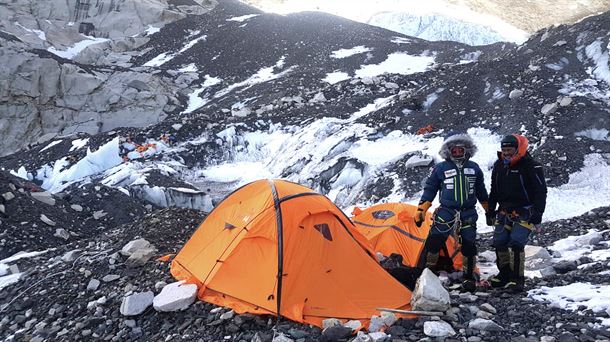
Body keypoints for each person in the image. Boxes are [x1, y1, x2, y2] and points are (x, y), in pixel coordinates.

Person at [415, 133, 489, 291]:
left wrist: (489, 211)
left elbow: (481, 191)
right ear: (448, 151)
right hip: (446, 211)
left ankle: (469, 277)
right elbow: (430, 188)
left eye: (460, 150)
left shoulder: (474, 168)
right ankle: (426, 274)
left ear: (467, 150)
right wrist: (422, 209)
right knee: (434, 241)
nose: (457, 153)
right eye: (453, 150)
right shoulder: (441, 168)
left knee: (469, 244)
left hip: (468, 212)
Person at [487, 134, 547, 292]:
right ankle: (504, 274)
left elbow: (540, 191)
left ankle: (517, 279)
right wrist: (490, 211)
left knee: (516, 243)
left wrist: (538, 213)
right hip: (504, 211)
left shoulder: (531, 166)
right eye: (504, 150)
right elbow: (494, 190)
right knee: (499, 242)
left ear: (518, 148)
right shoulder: (499, 166)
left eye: (510, 149)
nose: (506, 153)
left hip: (525, 211)